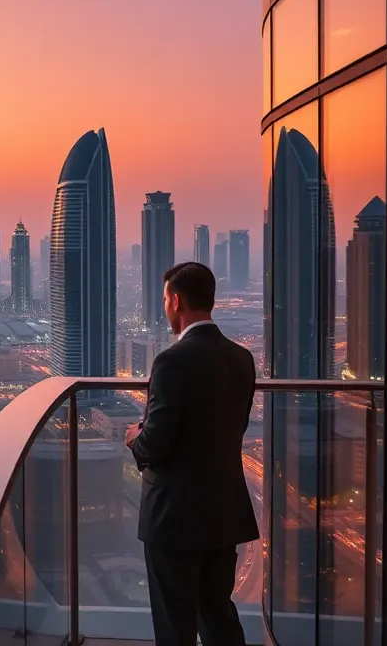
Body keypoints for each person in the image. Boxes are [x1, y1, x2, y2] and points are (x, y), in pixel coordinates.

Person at [124, 262, 258, 646]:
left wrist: (136, 437)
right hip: (224, 512)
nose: (165, 307)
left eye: (166, 299)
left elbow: (158, 444)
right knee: (218, 616)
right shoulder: (241, 358)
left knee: (174, 627)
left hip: (174, 517)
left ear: (177, 300)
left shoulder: (172, 361)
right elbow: (234, 428)